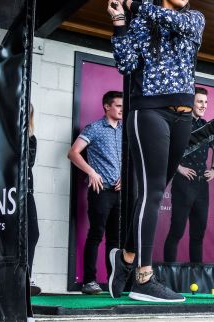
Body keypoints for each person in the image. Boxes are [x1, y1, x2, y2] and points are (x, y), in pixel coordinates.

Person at [106, 0, 205, 302]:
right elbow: (126, 64)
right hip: (149, 112)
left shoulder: (194, 20)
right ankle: (144, 277)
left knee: (157, 189)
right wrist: (120, 24)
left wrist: (133, 5)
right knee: (153, 190)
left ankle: (127, 258)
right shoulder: (141, 24)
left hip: (183, 116)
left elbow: (171, 21)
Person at [67, 91, 123, 295]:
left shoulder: (125, 130)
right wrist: (91, 172)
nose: (121, 110)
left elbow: (130, 158)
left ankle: (112, 281)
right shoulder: (95, 128)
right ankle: (89, 281)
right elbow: (72, 152)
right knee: (96, 235)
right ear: (107, 106)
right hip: (100, 191)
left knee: (115, 240)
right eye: (118, 106)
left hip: (119, 193)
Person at [163, 87, 214, 263]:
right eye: (200, 101)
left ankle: (197, 275)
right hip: (183, 183)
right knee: (177, 230)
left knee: (198, 233)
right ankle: (168, 275)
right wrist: (178, 168)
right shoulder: (179, 122)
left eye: (205, 102)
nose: (203, 105)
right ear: (191, 102)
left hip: (201, 186)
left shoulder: (206, 126)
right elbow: (165, 148)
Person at [27, 104, 41, 296]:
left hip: (26, 191)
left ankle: (25, 276)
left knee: (32, 232)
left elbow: (28, 162)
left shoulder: (30, 138)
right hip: (3, 190)